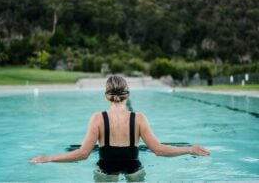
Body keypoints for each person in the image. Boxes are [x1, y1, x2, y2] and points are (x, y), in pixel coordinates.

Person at [30, 75, 210, 181]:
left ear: (106, 96)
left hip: (105, 171)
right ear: (127, 95)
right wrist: (189, 149)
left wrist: (50, 158)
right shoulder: (138, 118)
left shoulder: (98, 119)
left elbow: (82, 153)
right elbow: (159, 150)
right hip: (135, 169)